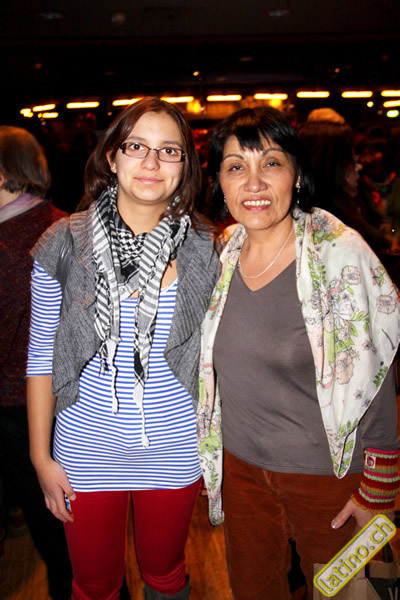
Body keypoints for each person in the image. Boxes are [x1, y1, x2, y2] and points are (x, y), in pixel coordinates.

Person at [197, 107, 400, 599]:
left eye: (271, 163)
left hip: (329, 476)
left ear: (297, 174)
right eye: (236, 167)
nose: (254, 182)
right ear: (220, 182)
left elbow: (378, 371)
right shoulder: (219, 254)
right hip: (242, 473)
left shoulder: (340, 254)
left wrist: (379, 489)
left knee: (347, 593)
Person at [26, 97, 220, 600]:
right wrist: (40, 459)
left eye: (169, 150)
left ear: (185, 165)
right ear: (112, 157)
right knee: (94, 585)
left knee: (166, 575)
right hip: (85, 452)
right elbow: (41, 357)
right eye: (137, 146)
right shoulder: (64, 242)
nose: (152, 162)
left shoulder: (208, 247)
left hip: (174, 450)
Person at [0, 126, 72, 599]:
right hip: (65, 400)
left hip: (18, 405)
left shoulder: (11, 240)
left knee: (55, 528)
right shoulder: (62, 223)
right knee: (69, 525)